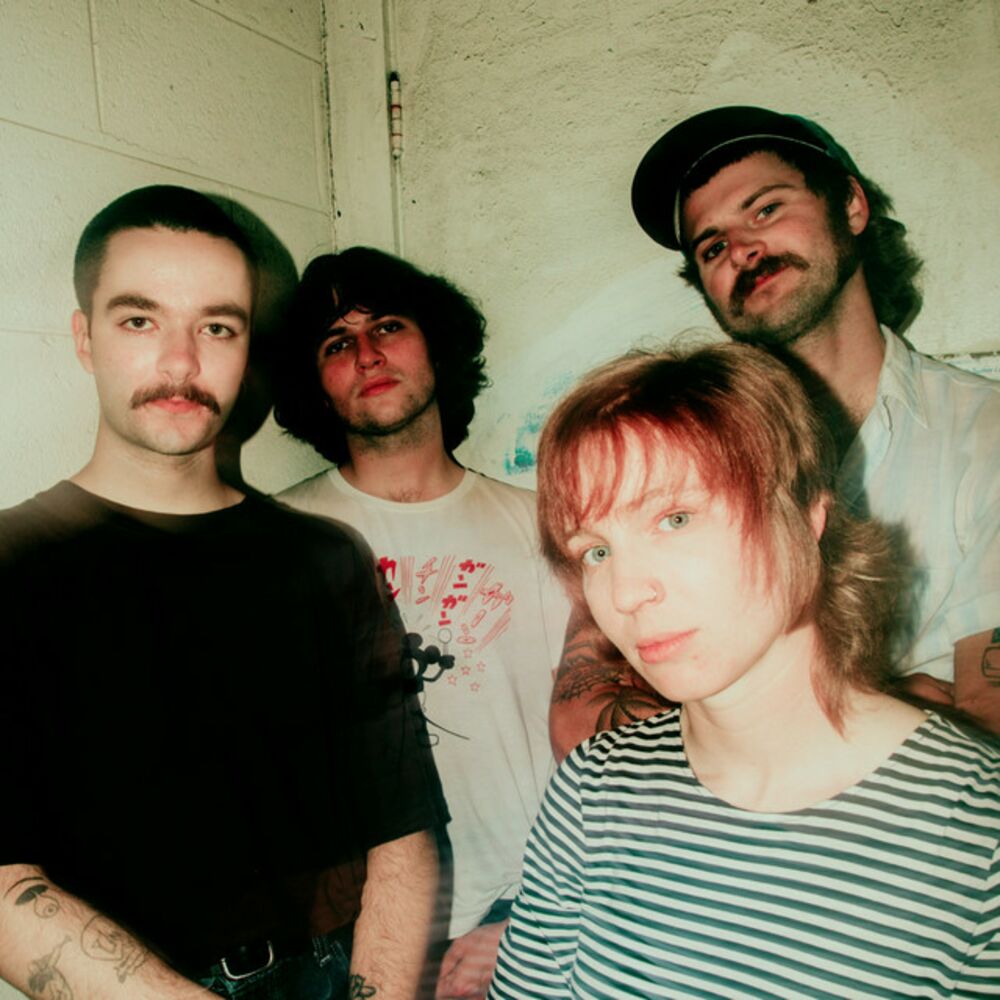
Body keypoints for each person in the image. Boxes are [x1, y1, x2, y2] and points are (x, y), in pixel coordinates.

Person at [0, 186, 447, 1000]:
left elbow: (403, 832)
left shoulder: (326, 560)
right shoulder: (13, 565)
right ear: (85, 338)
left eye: (216, 327)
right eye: (141, 320)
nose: (182, 363)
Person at [490, 343, 1000, 999]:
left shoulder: (977, 834)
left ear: (806, 515)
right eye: (595, 551)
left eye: (675, 518)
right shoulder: (592, 791)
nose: (625, 592)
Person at [550, 105, 1000, 756]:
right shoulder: (671, 449)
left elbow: (987, 732)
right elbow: (581, 721)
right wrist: (898, 699)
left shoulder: (985, 435)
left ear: (851, 206)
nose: (741, 249)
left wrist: (728, 709)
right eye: (711, 247)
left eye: (765, 210)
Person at [271, 247, 569, 1000]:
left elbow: (599, 742)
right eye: (336, 343)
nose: (367, 354)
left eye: (388, 327)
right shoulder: (273, 542)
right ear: (313, 382)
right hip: (349, 937)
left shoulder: (542, 525)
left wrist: (536, 919)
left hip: (524, 917)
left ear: (437, 344)